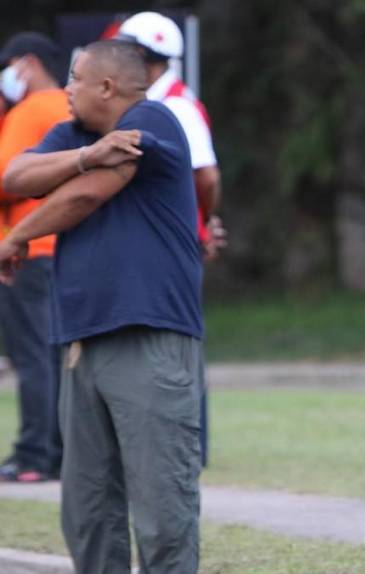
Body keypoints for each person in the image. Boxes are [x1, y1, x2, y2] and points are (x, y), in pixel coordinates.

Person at [1, 39, 203, 573]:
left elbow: (84, 194)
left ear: (107, 86)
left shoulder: (153, 119)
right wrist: (86, 152)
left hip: (149, 336)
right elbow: (15, 176)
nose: (65, 89)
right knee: (88, 512)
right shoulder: (78, 135)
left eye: (74, 78)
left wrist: (16, 236)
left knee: (162, 510)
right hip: (82, 342)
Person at [116, 11, 224, 467]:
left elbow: (207, 176)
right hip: (159, 242)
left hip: (173, 244)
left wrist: (199, 221)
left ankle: (188, 446)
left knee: (177, 344)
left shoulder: (177, 104)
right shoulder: (162, 100)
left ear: (141, 55)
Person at [0, 32, 70, 483]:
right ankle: (63, 450)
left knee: (32, 355)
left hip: (24, 250)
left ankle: (33, 454)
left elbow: (7, 178)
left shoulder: (29, 111)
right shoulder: (70, 106)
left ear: (27, 64)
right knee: (57, 353)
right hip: (64, 246)